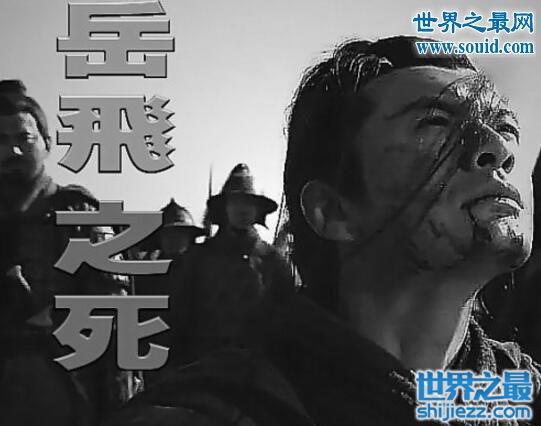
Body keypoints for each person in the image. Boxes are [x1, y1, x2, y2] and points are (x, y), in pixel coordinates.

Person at [104, 36, 541, 426]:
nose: (499, 148)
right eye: (435, 123)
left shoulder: (520, 394)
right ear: (333, 211)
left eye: (505, 128)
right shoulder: (204, 410)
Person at [0, 79, 136, 426]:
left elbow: (115, 325)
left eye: (23, 138)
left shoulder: (80, 215)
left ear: (47, 143)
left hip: (65, 397)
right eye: (0, 141)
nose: (12, 151)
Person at [170, 163, 295, 364]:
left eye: (249, 203)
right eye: (236, 202)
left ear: (258, 210)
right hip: (205, 363)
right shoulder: (197, 258)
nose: (243, 209)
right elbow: (180, 318)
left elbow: (286, 321)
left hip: (260, 365)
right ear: (225, 208)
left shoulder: (273, 262)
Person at [134, 198, 205, 385]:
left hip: (193, 363)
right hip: (152, 363)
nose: (174, 240)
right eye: (168, 235)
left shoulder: (204, 273)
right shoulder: (143, 275)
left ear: (189, 238)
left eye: (180, 234)